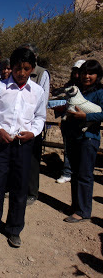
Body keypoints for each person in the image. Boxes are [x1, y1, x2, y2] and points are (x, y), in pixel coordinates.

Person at [0, 48, 46, 249]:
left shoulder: (37, 92)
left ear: (32, 69)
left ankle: (14, 229)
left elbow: (40, 117)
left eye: (26, 69)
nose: (21, 72)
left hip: (23, 145)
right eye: (17, 68)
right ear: (12, 67)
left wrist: (33, 133)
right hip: (1, 144)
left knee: (20, 189)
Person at [63, 60, 103, 223]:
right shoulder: (77, 91)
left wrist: (86, 116)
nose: (87, 76)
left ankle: (83, 211)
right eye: (84, 72)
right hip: (74, 136)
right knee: (75, 172)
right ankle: (75, 206)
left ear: (98, 76)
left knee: (85, 174)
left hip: (89, 138)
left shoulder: (100, 92)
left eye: (91, 73)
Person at [19, 44, 50, 206]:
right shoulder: (17, 70)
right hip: (18, 123)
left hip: (33, 124)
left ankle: (32, 192)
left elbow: (42, 99)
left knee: (32, 160)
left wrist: (36, 125)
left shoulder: (42, 73)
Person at [56, 60, 86, 184]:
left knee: (82, 148)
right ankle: (67, 172)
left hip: (82, 122)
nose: (77, 75)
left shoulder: (88, 87)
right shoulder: (69, 85)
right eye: (75, 71)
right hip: (68, 120)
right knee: (68, 147)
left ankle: (80, 173)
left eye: (79, 71)